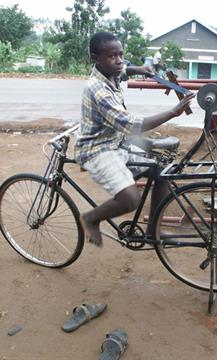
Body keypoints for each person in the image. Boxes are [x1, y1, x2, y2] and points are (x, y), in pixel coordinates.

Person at [74, 32, 194, 247]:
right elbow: (133, 125)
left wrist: (138, 70)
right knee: (130, 199)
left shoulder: (111, 73)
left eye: (121, 54)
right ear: (95, 58)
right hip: (98, 150)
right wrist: (174, 112)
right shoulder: (97, 89)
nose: (119, 60)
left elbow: (122, 71)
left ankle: (153, 230)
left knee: (162, 169)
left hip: (117, 143)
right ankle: (91, 218)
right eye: (112, 56)